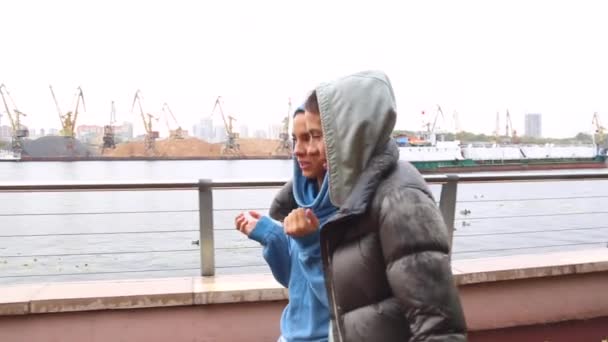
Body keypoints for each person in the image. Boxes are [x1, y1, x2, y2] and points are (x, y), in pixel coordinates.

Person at [302, 70, 467, 341]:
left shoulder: (400, 200)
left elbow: (440, 328)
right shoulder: (360, 196)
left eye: (319, 136)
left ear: (352, 132)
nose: (313, 150)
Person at [235, 105, 337, 342]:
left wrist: (311, 244)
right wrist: (272, 235)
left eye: (311, 137)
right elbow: (295, 283)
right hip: (290, 336)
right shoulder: (303, 203)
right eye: (295, 139)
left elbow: (344, 304)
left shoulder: (351, 211)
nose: (299, 150)